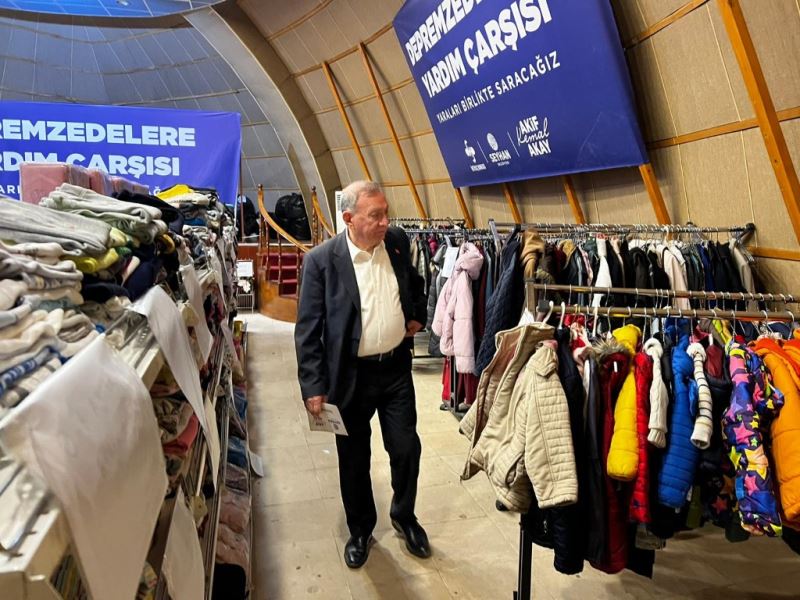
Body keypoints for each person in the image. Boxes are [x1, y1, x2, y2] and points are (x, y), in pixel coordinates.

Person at [294, 180, 430, 568]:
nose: (386, 222)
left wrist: (417, 314)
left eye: (386, 213)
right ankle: (360, 529)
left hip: (395, 370)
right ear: (349, 218)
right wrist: (314, 386)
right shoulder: (322, 261)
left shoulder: (397, 242)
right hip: (349, 375)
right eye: (376, 215)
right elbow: (308, 330)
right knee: (354, 458)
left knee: (406, 449)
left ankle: (404, 516)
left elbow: (415, 283)